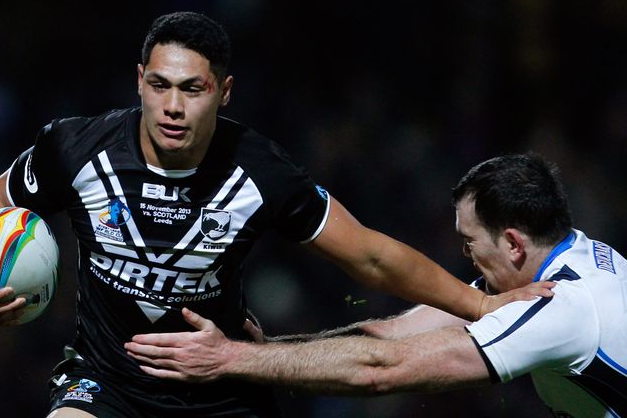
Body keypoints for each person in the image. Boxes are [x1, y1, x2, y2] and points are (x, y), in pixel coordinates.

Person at [0, 11, 550, 418]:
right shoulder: (75, 147)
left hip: (220, 386)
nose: (173, 106)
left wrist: (482, 306)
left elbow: (369, 255)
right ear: (139, 82)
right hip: (105, 383)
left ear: (223, 93)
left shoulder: (260, 170)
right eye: (160, 85)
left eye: (193, 89)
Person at [125, 153, 627, 418]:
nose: (465, 258)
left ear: (514, 244)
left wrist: (229, 361)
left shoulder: (562, 307)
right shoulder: (570, 262)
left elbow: (383, 371)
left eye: (470, 244)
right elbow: (389, 336)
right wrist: (265, 351)